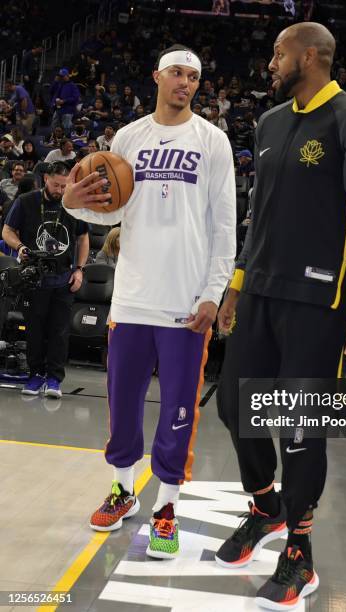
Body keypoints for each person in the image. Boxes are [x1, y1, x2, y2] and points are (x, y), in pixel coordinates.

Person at [215, 22, 346, 610]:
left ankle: (300, 552)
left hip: (320, 302)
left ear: (311, 56)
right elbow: (258, 217)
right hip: (261, 291)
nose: (270, 61)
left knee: (299, 428)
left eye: (279, 52)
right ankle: (265, 506)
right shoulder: (269, 123)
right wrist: (236, 285)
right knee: (233, 403)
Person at [62, 45, 236, 559]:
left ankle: (166, 508)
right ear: (157, 76)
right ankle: (122, 490)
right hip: (133, 299)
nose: (186, 82)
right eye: (178, 73)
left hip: (186, 304)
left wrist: (213, 292)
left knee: (180, 411)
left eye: (194, 77)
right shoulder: (128, 137)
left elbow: (224, 224)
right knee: (124, 405)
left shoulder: (214, 141)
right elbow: (111, 211)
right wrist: (74, 204)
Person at [1, 162, 89, 398]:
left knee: (59, 332)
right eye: (57, 184)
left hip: (63, 278)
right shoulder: (27, 201)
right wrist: (19, 246)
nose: (61, 190)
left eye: (64, 185)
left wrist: (79, 269)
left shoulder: (72, 203)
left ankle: (54, 379)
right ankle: (35, 376)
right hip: (34, 278)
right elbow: (7, 230)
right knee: (35, 331)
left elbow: (83, 238)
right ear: (46, 179)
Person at [50, 68, 81, 133]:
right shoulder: (59, 84)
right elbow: (51, 92)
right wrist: (55, 81)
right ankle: (54, 141)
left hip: (68, 110)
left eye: (62, 76)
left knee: (66, 128)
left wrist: (64, 101)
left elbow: (76, 98)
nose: (61, 78)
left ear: (67, 76)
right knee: (54, 127)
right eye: (60, 76)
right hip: (58, 109)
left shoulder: (72, 86)